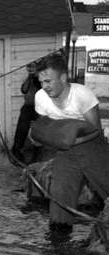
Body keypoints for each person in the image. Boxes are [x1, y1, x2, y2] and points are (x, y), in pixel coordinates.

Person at [31, 52, 109, 237]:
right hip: (64, 150)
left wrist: (72, 141)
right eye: (41, 82)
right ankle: (59, 241)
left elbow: (96, 129)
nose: (44, 87)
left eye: (48, 81)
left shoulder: (82, 95)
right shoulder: (40, 97)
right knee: (60, 196)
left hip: (92, 146)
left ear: (64, 78)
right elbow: (45, 127)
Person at [11, 61, 42, 164]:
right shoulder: (28, 78)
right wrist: (30, 75)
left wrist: (35, 75)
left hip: (40, 108)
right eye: (30, 68)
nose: (31, 69)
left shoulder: (41, 78)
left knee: (38, 131)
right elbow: (24, 90)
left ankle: (38, 155)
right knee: (21, 130)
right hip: (28, 107)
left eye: (33, 67)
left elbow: (40, 87)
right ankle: (16, 150)